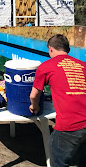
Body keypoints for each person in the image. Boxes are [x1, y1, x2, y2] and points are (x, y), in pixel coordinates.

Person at [30, 34, 86, 167]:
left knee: (58, 160)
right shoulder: (83, 65)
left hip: (69, 125)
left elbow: (33, 96)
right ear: (68, 50)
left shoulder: (46, 66)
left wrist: (35, 107)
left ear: (50, 49)